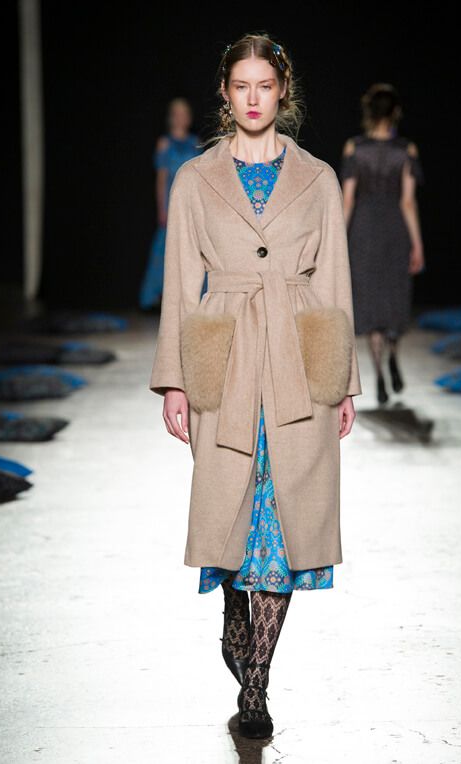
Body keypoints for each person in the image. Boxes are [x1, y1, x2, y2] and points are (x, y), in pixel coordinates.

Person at [148, 33, 362, 739]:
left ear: (281, 91)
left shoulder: (318, 178)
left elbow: (334, 282)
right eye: (240, 86)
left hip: (299, 355)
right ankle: (232, 614)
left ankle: (257, 685)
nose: (251, 98)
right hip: (226, 355)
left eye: (263, 86)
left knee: (284, 513)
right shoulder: (193, 179)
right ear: (224, 92)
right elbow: (180, 283)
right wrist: (174, 382)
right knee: (232, 508)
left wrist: (344, 382)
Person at [340, 83, 425, 404]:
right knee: (393, 297)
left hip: (363, 231)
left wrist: (338, 238)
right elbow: (408, 202)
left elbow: (348, 200)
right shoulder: (406, 150)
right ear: (396, 112)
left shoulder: (354, 148)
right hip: (394, 230)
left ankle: (377, 372)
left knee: (371, 300)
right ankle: (393, 353)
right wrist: (417, 244)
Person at [139, 97, 203, 310]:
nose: (181, 118)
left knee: (193, 249)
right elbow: (161, 179)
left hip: (190, 203)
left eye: (184, 114)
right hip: (171, 202)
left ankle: (193, 296)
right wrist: (162, 208)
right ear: (171, 117)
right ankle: (160, 296)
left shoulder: (195, 142)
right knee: (166, 250)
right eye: (177, 114)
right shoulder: (164, 143)